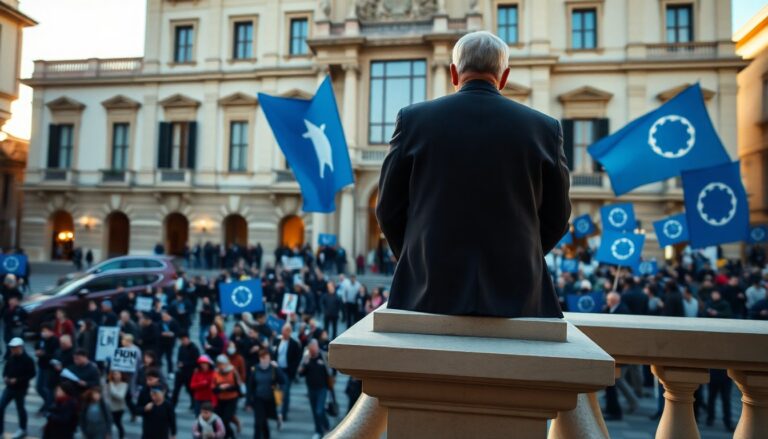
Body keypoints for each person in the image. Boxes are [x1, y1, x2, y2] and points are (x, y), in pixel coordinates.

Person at [376, 31, 570, 318]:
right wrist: (520, 255)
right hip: (517, 295)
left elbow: (387, 210)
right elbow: (558, 217)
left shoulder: (413, 121)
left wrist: (419, 259)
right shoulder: (544, 129)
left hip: (429, 292)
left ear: (454, 73)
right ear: (504, 77)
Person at [0, 338, 35, 438]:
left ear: (20, 347)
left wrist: (18, 380)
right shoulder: (11, 358)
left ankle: (22, 429)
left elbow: (32, 374)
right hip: (9, 387)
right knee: (1, 407)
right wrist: (5, 377)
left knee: (20, 409)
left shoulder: (28, 360)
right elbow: (5, 370)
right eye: (11, 348)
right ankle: (1, 431)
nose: (12, 349)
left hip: (20, 389)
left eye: (14, 347)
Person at [248, 349, 284, 439]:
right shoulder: (255, 369)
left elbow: (283, 380)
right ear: (259, 359)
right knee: (258, 423)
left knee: (264, 422)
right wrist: (248, 402)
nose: (265, 360)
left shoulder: (273, 369)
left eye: (267, 358)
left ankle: (267, 435)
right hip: (258, 399)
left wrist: (277, 368)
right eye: (262, 358)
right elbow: (250, 386)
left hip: (270, 399)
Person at [299, 340, 331, 439]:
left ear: (317, 347)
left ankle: (325, 426)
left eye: (315, 347)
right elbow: (300, 373)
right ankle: (319, 430)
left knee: (319, 410)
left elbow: (331, 370)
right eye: (311, 348)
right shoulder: (306, 357)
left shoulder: (324, 355)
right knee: (315, 411)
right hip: (311, 389)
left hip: (322, 388)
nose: (313, 350)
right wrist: (305, 364)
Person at [273, 323, 301, 422]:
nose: (285, 332)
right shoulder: (277, 341)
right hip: (277, 369)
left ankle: (283, 413)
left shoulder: (294, 344)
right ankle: (276, 410)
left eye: (287, 331)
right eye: (284, 330)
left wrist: (292, 370)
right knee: (277, 391)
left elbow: (297, 359)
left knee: (285, 392)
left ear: (290, 332)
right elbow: (273, 353)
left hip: (287, 371)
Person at [212, 355, 241, 438]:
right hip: (220, 399)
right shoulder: (216, 372)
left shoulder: (233, 371)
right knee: (218, 420)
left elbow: (238, 387)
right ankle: (229, 434)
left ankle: (228, 435)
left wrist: (228, 387)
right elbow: (213, 388)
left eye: (222, 364)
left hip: (232, 399)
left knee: (226, 420)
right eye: (219, 364)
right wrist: (220, 388)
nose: (221, 366)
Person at [35, 322, 59, 414]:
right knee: (39, 387)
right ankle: (48, 402)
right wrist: (38, 352)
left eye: (45, 331)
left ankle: (48, 406)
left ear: (51, 331)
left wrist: (44, 354)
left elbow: (55, 355)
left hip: (50, 368)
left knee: (47, 388)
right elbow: (37, 346)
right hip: (41, 365)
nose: (43, 333)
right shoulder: (42, 340)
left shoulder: (55, 341)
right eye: (42, 331)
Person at [172, 331, 200, 408]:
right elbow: (179, 358)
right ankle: (172, 405)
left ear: (187, 338)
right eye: (181, 340)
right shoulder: (181, 347)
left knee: (190, 390)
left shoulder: (194, 348)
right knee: (176, 390)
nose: (182, 341)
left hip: (189, 373)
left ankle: (193, 403)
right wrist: (179, 364)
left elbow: (196, 362)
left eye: (183, 339)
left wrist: (184, 364)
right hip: (180, 372)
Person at [107, 370, 128, 439]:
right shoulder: (109, 384)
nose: (116, 376)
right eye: (114, 374)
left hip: (119, 408)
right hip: (110, 407)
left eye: (118, 374)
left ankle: (121, 436)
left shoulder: (124, 384)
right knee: (109, 423)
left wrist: (112, 387)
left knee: (118, 423)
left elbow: (121, 396)